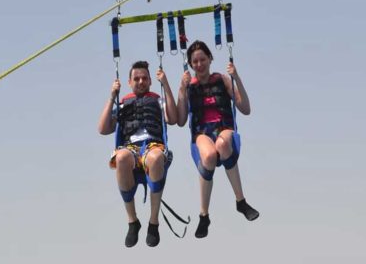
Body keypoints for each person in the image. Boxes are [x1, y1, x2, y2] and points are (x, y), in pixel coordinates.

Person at [176, 40, 258, 238]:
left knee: (222, 144)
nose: (199, 64)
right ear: (190, 64)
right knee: (210, 155)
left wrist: (235, 77)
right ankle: (204, 215)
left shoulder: (222, 79)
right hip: (202, 133)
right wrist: (181, 89)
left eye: (203, 59)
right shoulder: (189, 87)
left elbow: (245, 109)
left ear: (210, 59)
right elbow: (179, 121)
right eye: (195, 61)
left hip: (224, 129)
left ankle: (241, 201)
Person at [98, 61, 177, 247]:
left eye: (144, 78)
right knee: (121, 157)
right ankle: (132, 221)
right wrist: (112, 97)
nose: (140, 82)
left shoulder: (158, 100)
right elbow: (102, 129)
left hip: (153, 146)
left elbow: (173, 118)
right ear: (129, 82)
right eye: (136, 79)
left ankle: (153, 222)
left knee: (156, 157)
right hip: (130, 149)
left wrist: (165, 85)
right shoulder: (123, 104)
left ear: (150, 81)